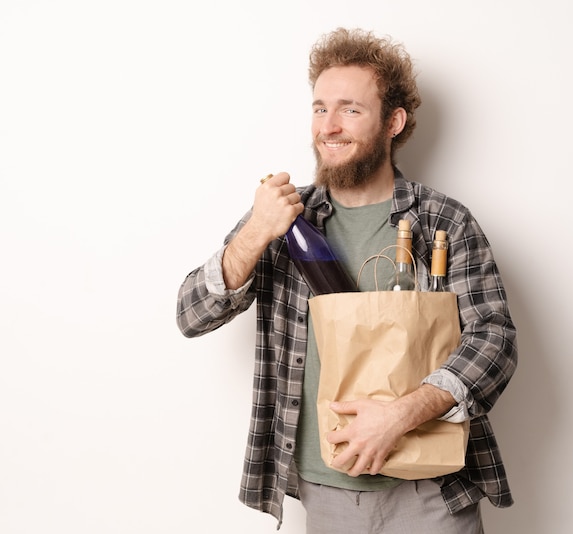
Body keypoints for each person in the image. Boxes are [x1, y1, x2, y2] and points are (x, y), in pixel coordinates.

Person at [176, 27, 517, 533]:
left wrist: (402, 414)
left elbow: (495, 339)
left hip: (431, 490)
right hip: (325, 490)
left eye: (350, 109)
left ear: (393, 122)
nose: (328, 127)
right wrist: (254, 232)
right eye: (319, 108)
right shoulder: (284, 220)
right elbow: (190, 315)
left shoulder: (444, 221)